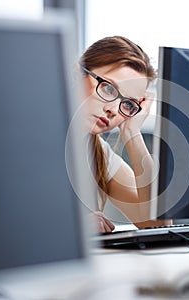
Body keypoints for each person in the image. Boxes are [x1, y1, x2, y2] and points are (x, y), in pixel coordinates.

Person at [77, 36, 167, 233]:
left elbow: (157, 223)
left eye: (127, 104)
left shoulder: (100, 153)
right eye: (108, 88)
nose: (114, 110)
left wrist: (131, 132)